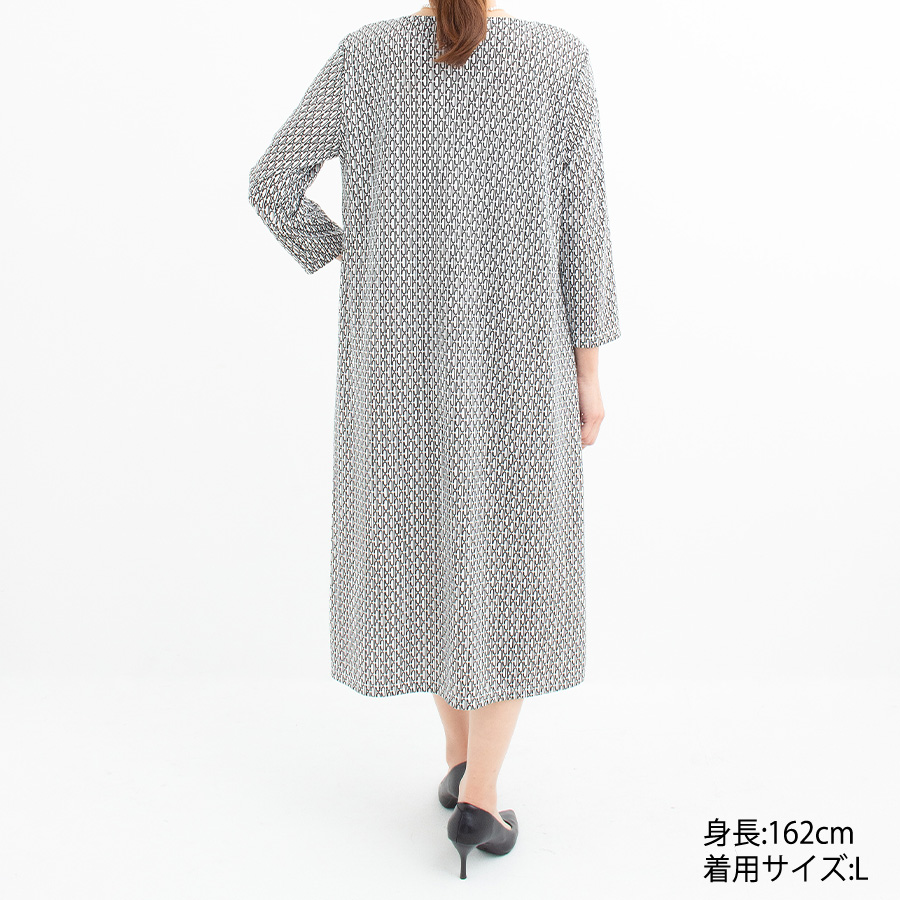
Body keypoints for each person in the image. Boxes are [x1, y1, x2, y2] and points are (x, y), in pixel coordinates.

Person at [248, 0, 620, 879]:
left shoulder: (366, 56)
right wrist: (590, 368)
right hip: (520, 360)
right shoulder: (558, 60)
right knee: (513, 568)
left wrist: (361, 254)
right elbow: (583, 226)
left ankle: (458, 764)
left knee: (427, 555)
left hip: (395, 366)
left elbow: (271, 185)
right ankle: (481, 797)